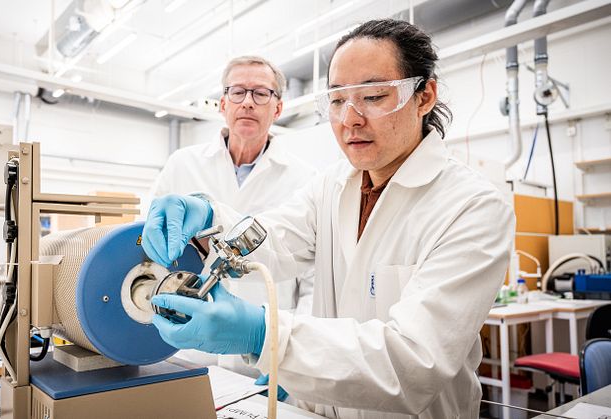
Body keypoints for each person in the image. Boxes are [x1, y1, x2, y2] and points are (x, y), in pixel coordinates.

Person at [143, 19, 514, 419]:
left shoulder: (472, 206)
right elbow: (274, 239)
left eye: (372, 96)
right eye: (337, 100)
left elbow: (412, 362)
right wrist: (209, 218)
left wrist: (265, 335)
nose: (350, 119)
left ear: (424, 97)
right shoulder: (332, 187)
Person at [148, 56, 316, 379]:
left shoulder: (305, 179)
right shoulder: (182, 165)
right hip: (186, 351)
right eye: (238, 92)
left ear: (278, 108)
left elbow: (313, 283)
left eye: (261, 93)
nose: (248, 103)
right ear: (223, 104)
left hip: (263, 356)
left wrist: (289, 360)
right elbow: (150, 246)